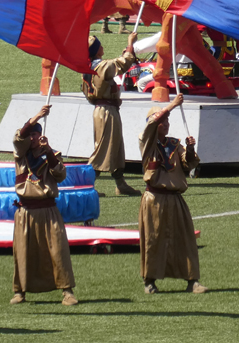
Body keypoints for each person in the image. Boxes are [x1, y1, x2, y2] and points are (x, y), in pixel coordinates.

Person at [10, 104, 77, 306]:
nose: (31, 138)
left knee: (58, 250)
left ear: (41, 136)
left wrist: (47, 151)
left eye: (35, 135)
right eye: (29, 135)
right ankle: (20, 291)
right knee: (23, 252)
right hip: (26, 210)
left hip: (48, 209)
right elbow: (18, 137)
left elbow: (60, 174)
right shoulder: (20, 155)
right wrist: (37, 116)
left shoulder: (52, 154)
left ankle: (67, 291)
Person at [139, 94, 206, 294]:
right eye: (162, 122)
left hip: (175, 198)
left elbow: (188, 163)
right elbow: (152, 122)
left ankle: (192, 280)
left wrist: (191, 149)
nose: (166, 124)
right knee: (153, 239)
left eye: (167, 122)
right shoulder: (147, 143)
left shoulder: (174, 144)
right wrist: (173, 105)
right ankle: (149, 281)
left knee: (185, 238)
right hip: (154, 198)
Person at [81, 33, 141, 196]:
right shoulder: (101, 66)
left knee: (115, 147)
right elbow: (123, 64)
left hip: (104, 109)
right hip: (106, 111)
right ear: (95, 50)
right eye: (99, 45)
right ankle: (87, 185)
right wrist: (130, 44)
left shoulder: (89, 67)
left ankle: (120, 184)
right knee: (103, 149)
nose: (102, 47)